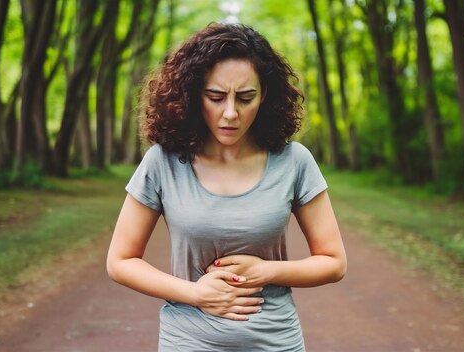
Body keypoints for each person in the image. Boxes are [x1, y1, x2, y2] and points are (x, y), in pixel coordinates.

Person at [106, 22, 347, 352]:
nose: (230, 113)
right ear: (194, 95)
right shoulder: (163, 162)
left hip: (276, 341)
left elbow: (333, 262)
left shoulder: (294, 161)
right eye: (216, 97)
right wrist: (196, 294)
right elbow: (120, 261)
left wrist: (266, 271)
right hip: (187, 340)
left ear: (265, 97)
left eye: (245, 98)